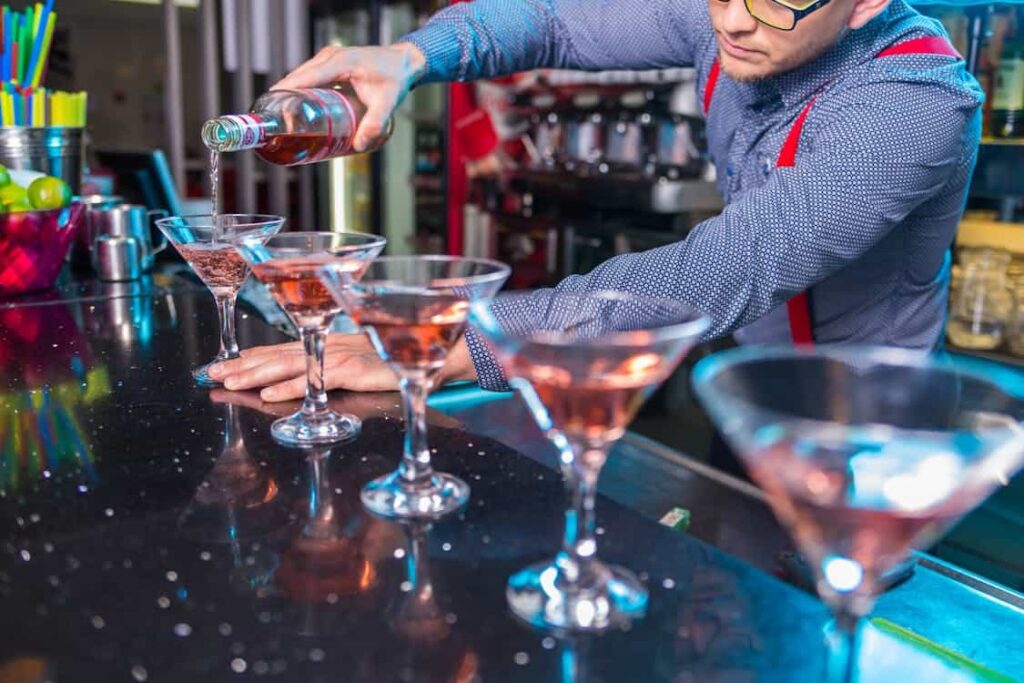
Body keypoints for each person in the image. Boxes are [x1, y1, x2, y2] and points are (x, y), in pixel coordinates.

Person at [208, 0, 982, 400]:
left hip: (866, 429)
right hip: (748, 389)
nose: (735, 21)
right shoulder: (737, 14)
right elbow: (550, 21)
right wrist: (409, 56)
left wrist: (458, 342)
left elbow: (725, 268)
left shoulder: (914, 103)